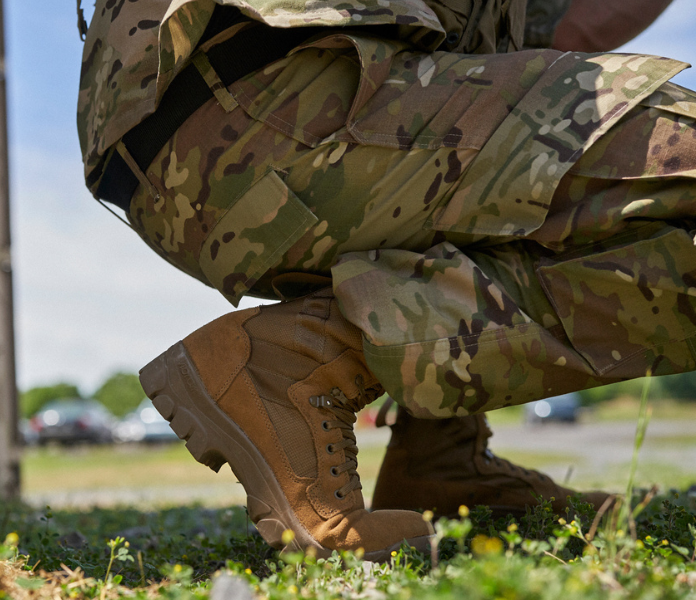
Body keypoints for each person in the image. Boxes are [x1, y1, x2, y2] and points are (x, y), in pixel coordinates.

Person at [77, 0, 690, 559]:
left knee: (522, 135)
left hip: (196, 137)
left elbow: (551, 37)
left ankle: (441, 455)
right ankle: (299, 360)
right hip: (284, 94)